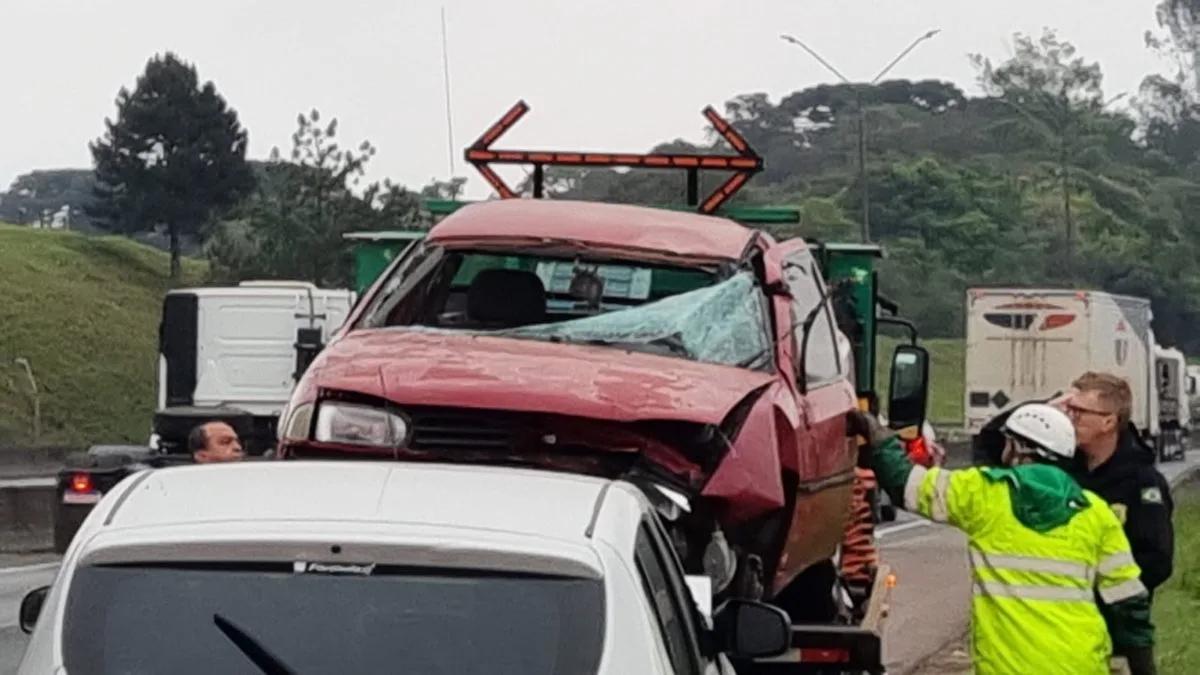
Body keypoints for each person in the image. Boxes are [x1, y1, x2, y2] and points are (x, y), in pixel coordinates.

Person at [852, 403, 1157, 675]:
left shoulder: (984, 494)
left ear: (1017, 448)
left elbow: (906, 484)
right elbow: (1130, 605)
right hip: (1081, 664)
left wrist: (876, 433)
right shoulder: (1096, 512)